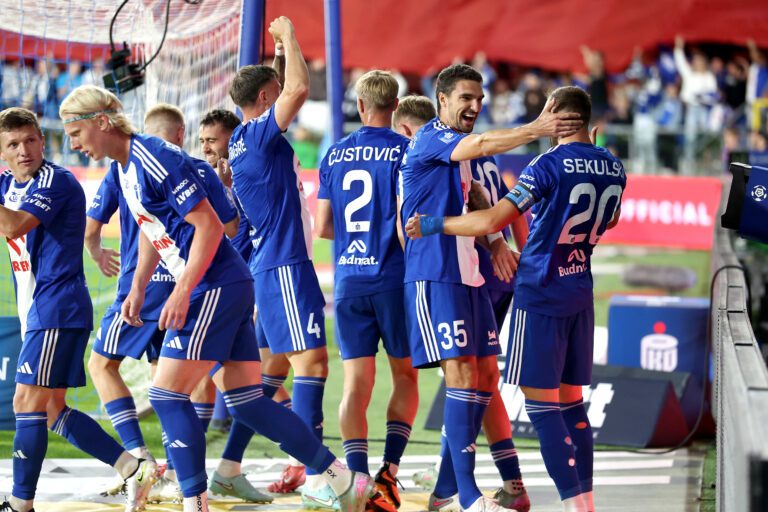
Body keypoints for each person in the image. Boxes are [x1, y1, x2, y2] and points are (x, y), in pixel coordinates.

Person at [60, 85, 374, 512]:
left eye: (75, 132)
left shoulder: (152, 156)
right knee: (248, 402)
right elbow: (155, 230)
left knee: (166, 394)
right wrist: (138, 285)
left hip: (215, 285)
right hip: (228, 282)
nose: (72, 143)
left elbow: (211, 227)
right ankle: (342, 480)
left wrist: (182, 291)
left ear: (101, 122)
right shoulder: (126, 167)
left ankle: (195, 503)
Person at [405, 86, 625, 512]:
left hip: (539, 292)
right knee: (573, 404)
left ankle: (574, 507)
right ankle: (586, 504)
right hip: (580, 289)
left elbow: (492, 220)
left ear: (557, 115)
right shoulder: (613, 166)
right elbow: (609, 219)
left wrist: (434, 224)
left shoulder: (546, 165)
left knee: (542, 409)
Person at [0, 107, 154, 512]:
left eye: (30, 140)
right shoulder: (6, 185)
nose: (24, 151)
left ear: (42, 140)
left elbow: (14, 226)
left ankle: (20, 505)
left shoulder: (57, 180)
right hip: (40, 311)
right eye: (12, 144)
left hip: (57, 307)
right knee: (52, 410)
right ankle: (132, 467)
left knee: (25, 403)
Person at [393, 94, 531, 512]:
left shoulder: (460, 153)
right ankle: (471, 490)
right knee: (475, 380)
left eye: (479, 98)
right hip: (456, 276)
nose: (475, 104)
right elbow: (501, 207)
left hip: (471, 274)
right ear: (441, 103)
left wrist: (494, 242)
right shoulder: (446, 147)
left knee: (475, 380)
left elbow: (484, 205)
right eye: (467, 98)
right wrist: (504, 245)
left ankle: (452, 490)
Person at [226, 16, 333, 501]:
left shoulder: (245, 137)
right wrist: (290, 34)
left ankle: (228, 466)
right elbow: (299, 88)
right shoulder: (262, 134)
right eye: (274, 86)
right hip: (286, 265)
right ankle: (317, 478)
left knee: (269, 380)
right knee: (311, 366)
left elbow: (278, 85)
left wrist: (275, 52)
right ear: (266, 100)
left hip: (270, 266)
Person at [314, 70, 418, 510]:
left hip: (349, 282)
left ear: (358, 106)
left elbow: (321, 226)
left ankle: (356, 479)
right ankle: (389, 473)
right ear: (396, 107)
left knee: (355, 384)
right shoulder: (406, 150)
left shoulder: (334, 154)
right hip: (393, 280)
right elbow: (404, 224)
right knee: (405, 375)